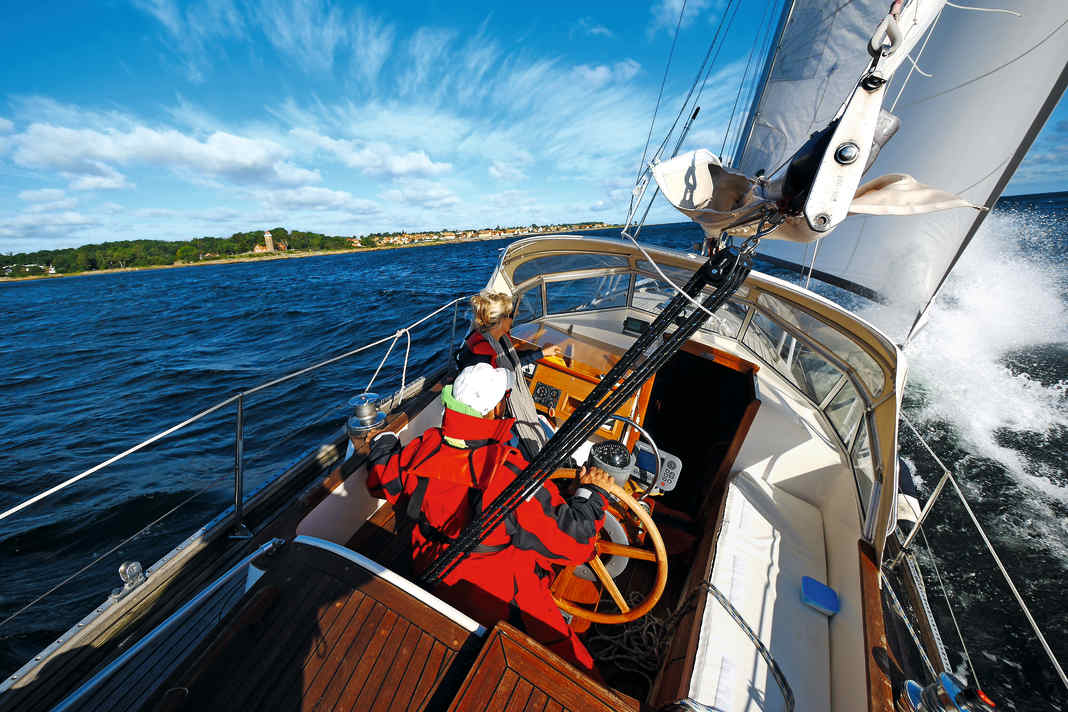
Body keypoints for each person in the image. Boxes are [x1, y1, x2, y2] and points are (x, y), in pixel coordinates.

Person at [366, 362, 614, 672]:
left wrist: (382, 442)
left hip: (431, 578)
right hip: (499, 599)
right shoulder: (509, 475)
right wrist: (591, 494)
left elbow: (380, 479)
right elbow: (576, 543)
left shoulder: (422, 449)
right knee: (579, 669)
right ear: (495, 411)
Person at [455, 292, 564, 372]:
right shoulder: (480, 357)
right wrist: (541, 353)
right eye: (511, 314)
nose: (516, 314)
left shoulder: (497, 338)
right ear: (501, 320)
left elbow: (511, 358)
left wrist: (542, 352)